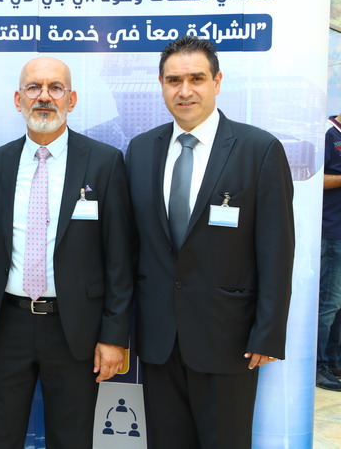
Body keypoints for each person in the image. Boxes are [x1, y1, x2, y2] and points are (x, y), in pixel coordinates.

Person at [125, 36, 295, 448]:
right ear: (161, 85)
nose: (185, 91)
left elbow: (277, 249)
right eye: (174, 80)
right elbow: (132, 245)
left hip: (229, 338)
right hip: (159, 339)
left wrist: (268, 332)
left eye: (196, 78)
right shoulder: (141, 149)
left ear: (217, 82)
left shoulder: (259, 149)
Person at [0, 56, 134, 448]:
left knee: (72, 440)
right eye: (33, 87)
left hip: (76, 330)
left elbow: (119, 259)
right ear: (17, 99)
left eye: (55, 88)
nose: (44, 97)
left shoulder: (104, 163)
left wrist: (114, 336)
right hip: (5, 327)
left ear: (71, 100)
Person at [317, 114, 341, 391]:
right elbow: (316, 179)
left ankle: (334, 362)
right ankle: (318, 365)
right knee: (328, 304)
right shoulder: (327, 132)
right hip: (332, 231)